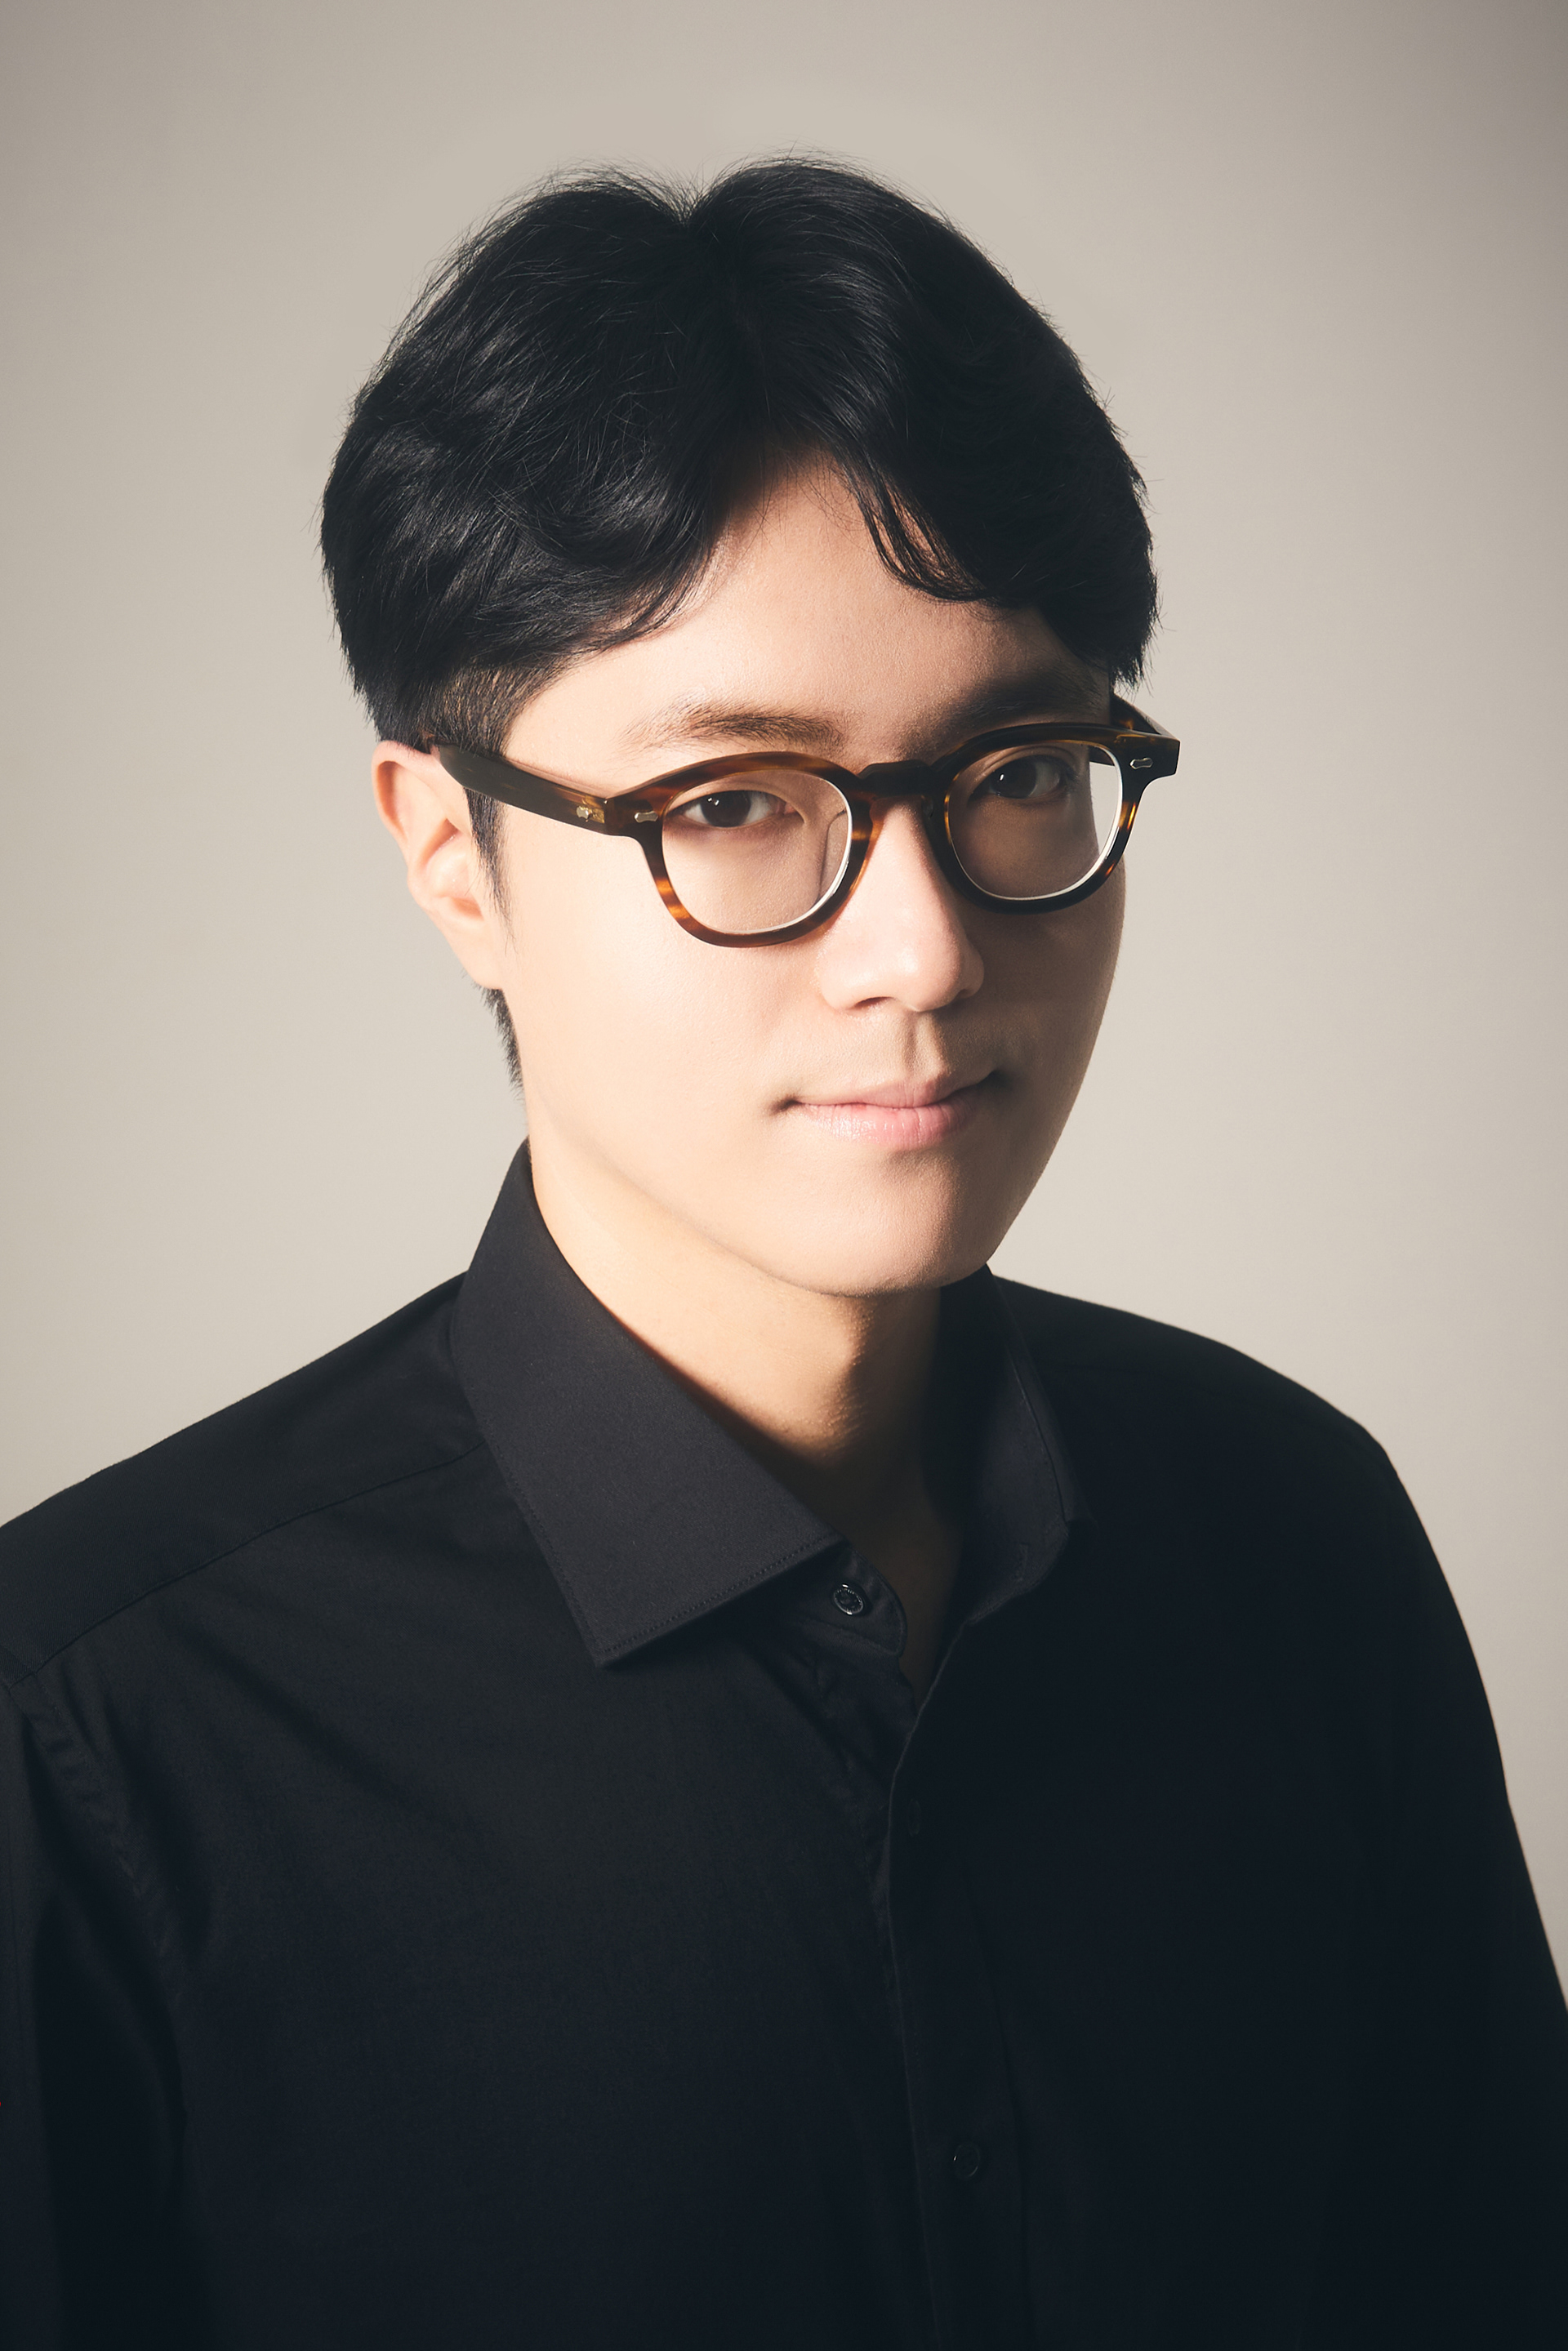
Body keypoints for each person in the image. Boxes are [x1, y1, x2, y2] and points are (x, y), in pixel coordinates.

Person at [1, 160, 1562, 2351]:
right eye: (734, 802)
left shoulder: (1299, 1538)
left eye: (1023, 768)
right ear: (451, 856)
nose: (923, 950)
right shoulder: (90, 1733)